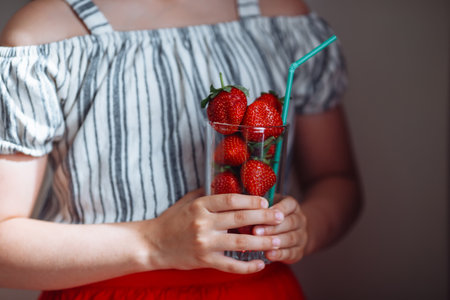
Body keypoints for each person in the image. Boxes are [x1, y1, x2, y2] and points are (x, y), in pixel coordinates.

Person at [0, 0, 362, 298]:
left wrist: (305, 228)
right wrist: (152, 242)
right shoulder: (42, 36)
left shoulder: (282, 22)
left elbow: (336, 179)